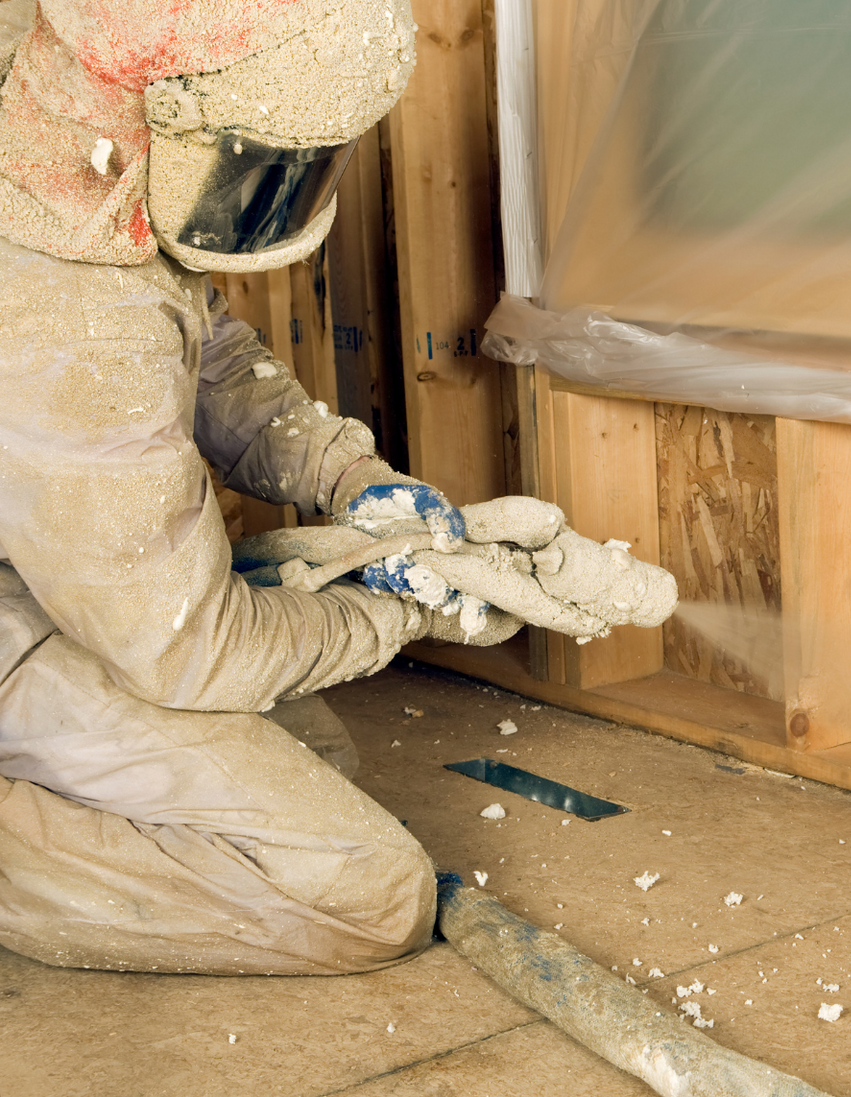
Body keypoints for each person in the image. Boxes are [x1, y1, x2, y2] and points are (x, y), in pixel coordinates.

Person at [0, 0, 515, 975]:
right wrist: (401, 614)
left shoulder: (76, 150)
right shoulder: (62, 313)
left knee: (319, 751)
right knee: (374, 894)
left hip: (34, 568)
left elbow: (203, 354)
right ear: (178, 118)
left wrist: (350, 478)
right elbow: (191, 654)